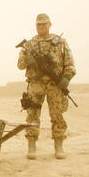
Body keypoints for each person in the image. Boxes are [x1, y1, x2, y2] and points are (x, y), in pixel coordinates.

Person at [17, 13, 76, 160]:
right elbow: (20, 65)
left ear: (50, 24)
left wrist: (67, 78)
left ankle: (59, 146)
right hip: (36, 85)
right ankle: (31, 147)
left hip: (55, 85)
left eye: (44, 24)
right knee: (32, 115)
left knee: (57, 115)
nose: (41, 26)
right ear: (35, 26)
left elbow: (69, 63)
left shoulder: (60, 42)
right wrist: (28, 60)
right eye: (38, 24)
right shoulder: (29, 44)